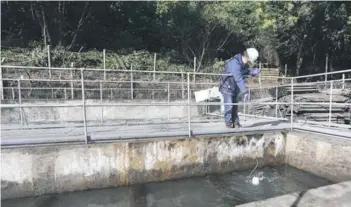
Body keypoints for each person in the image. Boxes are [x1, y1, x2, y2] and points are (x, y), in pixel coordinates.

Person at [219, 48, 260, 128]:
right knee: (229, 105)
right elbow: (238, 78)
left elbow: (244, 72)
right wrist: (245, 92)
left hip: (234, 87)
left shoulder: (242, 63)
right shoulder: (235, 63)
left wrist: (252, 72)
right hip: (227, 87)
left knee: (235, 105)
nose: (249, 63)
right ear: (247, 57)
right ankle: (229, 124)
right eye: (249, 61)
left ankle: (236, 123)